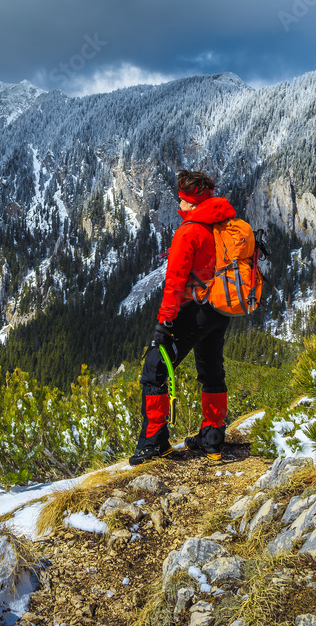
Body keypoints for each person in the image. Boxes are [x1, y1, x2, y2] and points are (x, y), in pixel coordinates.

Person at [129, 169, 235, 465]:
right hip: (220, 309)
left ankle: (154, 443)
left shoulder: (189, 232)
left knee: (154, 369)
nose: (179, 200)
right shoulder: (222, 222)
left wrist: (164, 323)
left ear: (191, 200)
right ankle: (212, 439)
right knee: (212, 371)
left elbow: (175, 283)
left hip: (195, 310)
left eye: (183, 197)